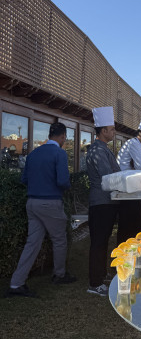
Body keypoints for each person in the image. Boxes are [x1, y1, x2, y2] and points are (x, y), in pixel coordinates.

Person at [7, 123, 76, 298]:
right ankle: (59, 275)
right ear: (63, 136)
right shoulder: (59, 153)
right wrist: (68, 188)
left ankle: (16, 283)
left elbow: (24, 179)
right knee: (59, 239)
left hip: (32, 203)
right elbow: (63, 181)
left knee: (32, 243)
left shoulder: (33, 154)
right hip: (50, 202)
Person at [86, 107, 120, 297]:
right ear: (103, 131)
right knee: (99, 242)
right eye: (112, 129)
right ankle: (95, 283)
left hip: (106, 201)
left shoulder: (102, 149)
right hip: (101, 202)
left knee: (103, 240)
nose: (114, 132)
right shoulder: (97, 150)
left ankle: (100, 273)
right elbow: (109, 177)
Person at [116, 115, 141, 243]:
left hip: (130, 188)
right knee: (129, 227)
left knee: (131, 225)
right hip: (126, 190)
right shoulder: (134, 143)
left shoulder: (137, 145)